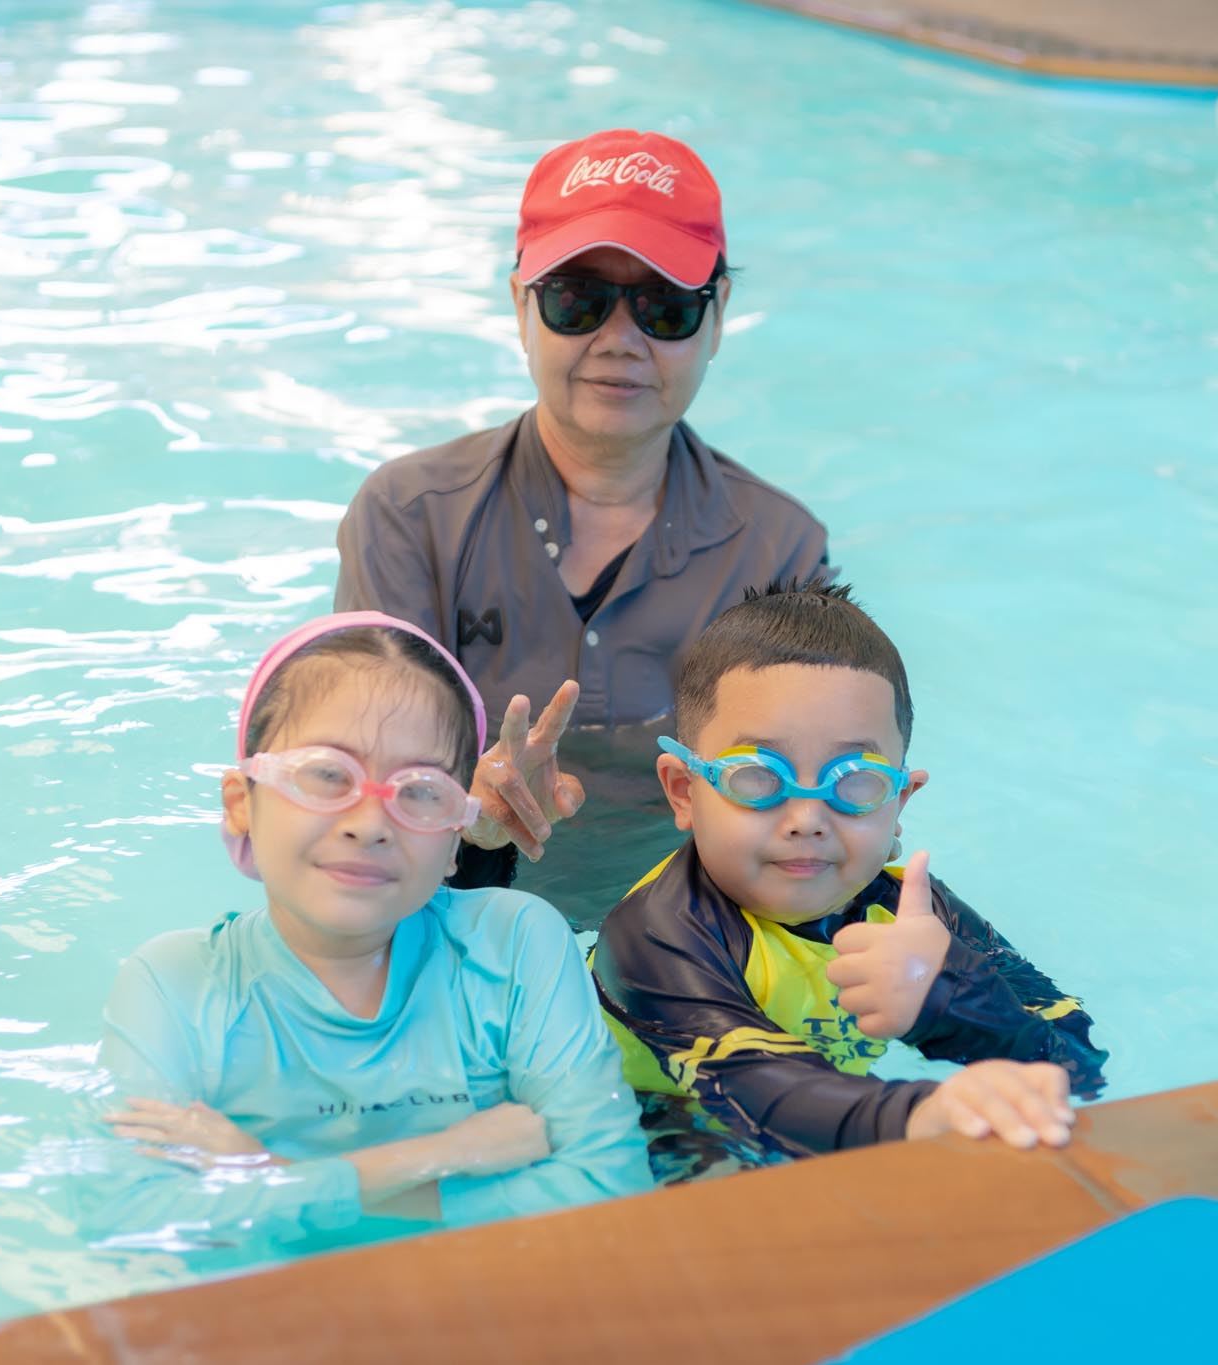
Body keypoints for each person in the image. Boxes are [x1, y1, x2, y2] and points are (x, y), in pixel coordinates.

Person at [333, 129, 828, 896]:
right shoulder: (410, 520)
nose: (620, 340)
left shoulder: (778, 552)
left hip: (685, 925)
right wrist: (468, 809)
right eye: (578, 300)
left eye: (665, 308)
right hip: (457, 905)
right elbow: (360, 799)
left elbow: (809, 809)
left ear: (718, 315)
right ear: (520, 306)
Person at [86, 612, 652, 1245]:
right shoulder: (175, 986)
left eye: (421, 790)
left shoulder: (515, 944)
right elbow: (131, 1220)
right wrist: (438, 1154)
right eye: (327, 775)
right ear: (242, 803)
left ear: (454, 838)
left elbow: (611, 1188)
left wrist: (265, 1176)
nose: (370, 823)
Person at [590, 582, 1108, 1160]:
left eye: (856, 782)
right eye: (756, 777)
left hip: (845, 1112)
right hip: (655, 1128)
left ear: (898, 803)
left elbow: (1077, 1066)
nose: (807, 820)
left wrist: (950, 1001)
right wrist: (923, 1113)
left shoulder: (915, 913)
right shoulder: (653, 934)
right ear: (685, 792)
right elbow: (755, 1091)